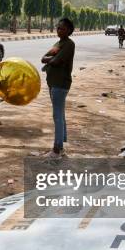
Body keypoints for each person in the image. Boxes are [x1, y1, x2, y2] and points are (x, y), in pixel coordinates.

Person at [41, 18, 75, 158]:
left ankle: (57, 149)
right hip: (53, 82)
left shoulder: (68, 44)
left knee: (57, 116)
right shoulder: (58, 43)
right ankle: (61, 144)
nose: (59, 30)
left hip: (60, 83)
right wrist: (50, 59)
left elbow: (56, 61)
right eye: (58, 28)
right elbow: (44, 58)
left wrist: (50, 59)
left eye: (62, 28)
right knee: (60, 114)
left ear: (68, 30)